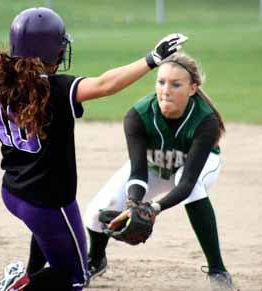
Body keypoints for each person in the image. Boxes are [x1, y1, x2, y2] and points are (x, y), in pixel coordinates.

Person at [0, 6, 186, 291]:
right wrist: (152, 59)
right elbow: (106, 84)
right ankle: (18, 286)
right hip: (48, 201)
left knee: (48, 236)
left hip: (14, 193)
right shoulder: (57, 90)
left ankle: (27, 274)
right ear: (52, 51)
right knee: (75, 279)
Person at [84, 52, 235, 291]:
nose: (166, 89)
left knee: (193, 189)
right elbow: (138, 170)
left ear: (192, 88)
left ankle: (218, 270)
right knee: (96, 213)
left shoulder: (206, 121)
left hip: (198, 168)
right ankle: (95, 260)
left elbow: (185, 183)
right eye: (161, 82)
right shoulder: (137, 116)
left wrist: (154, 208)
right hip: (153, 167)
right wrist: (134, 203)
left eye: (176, 84)